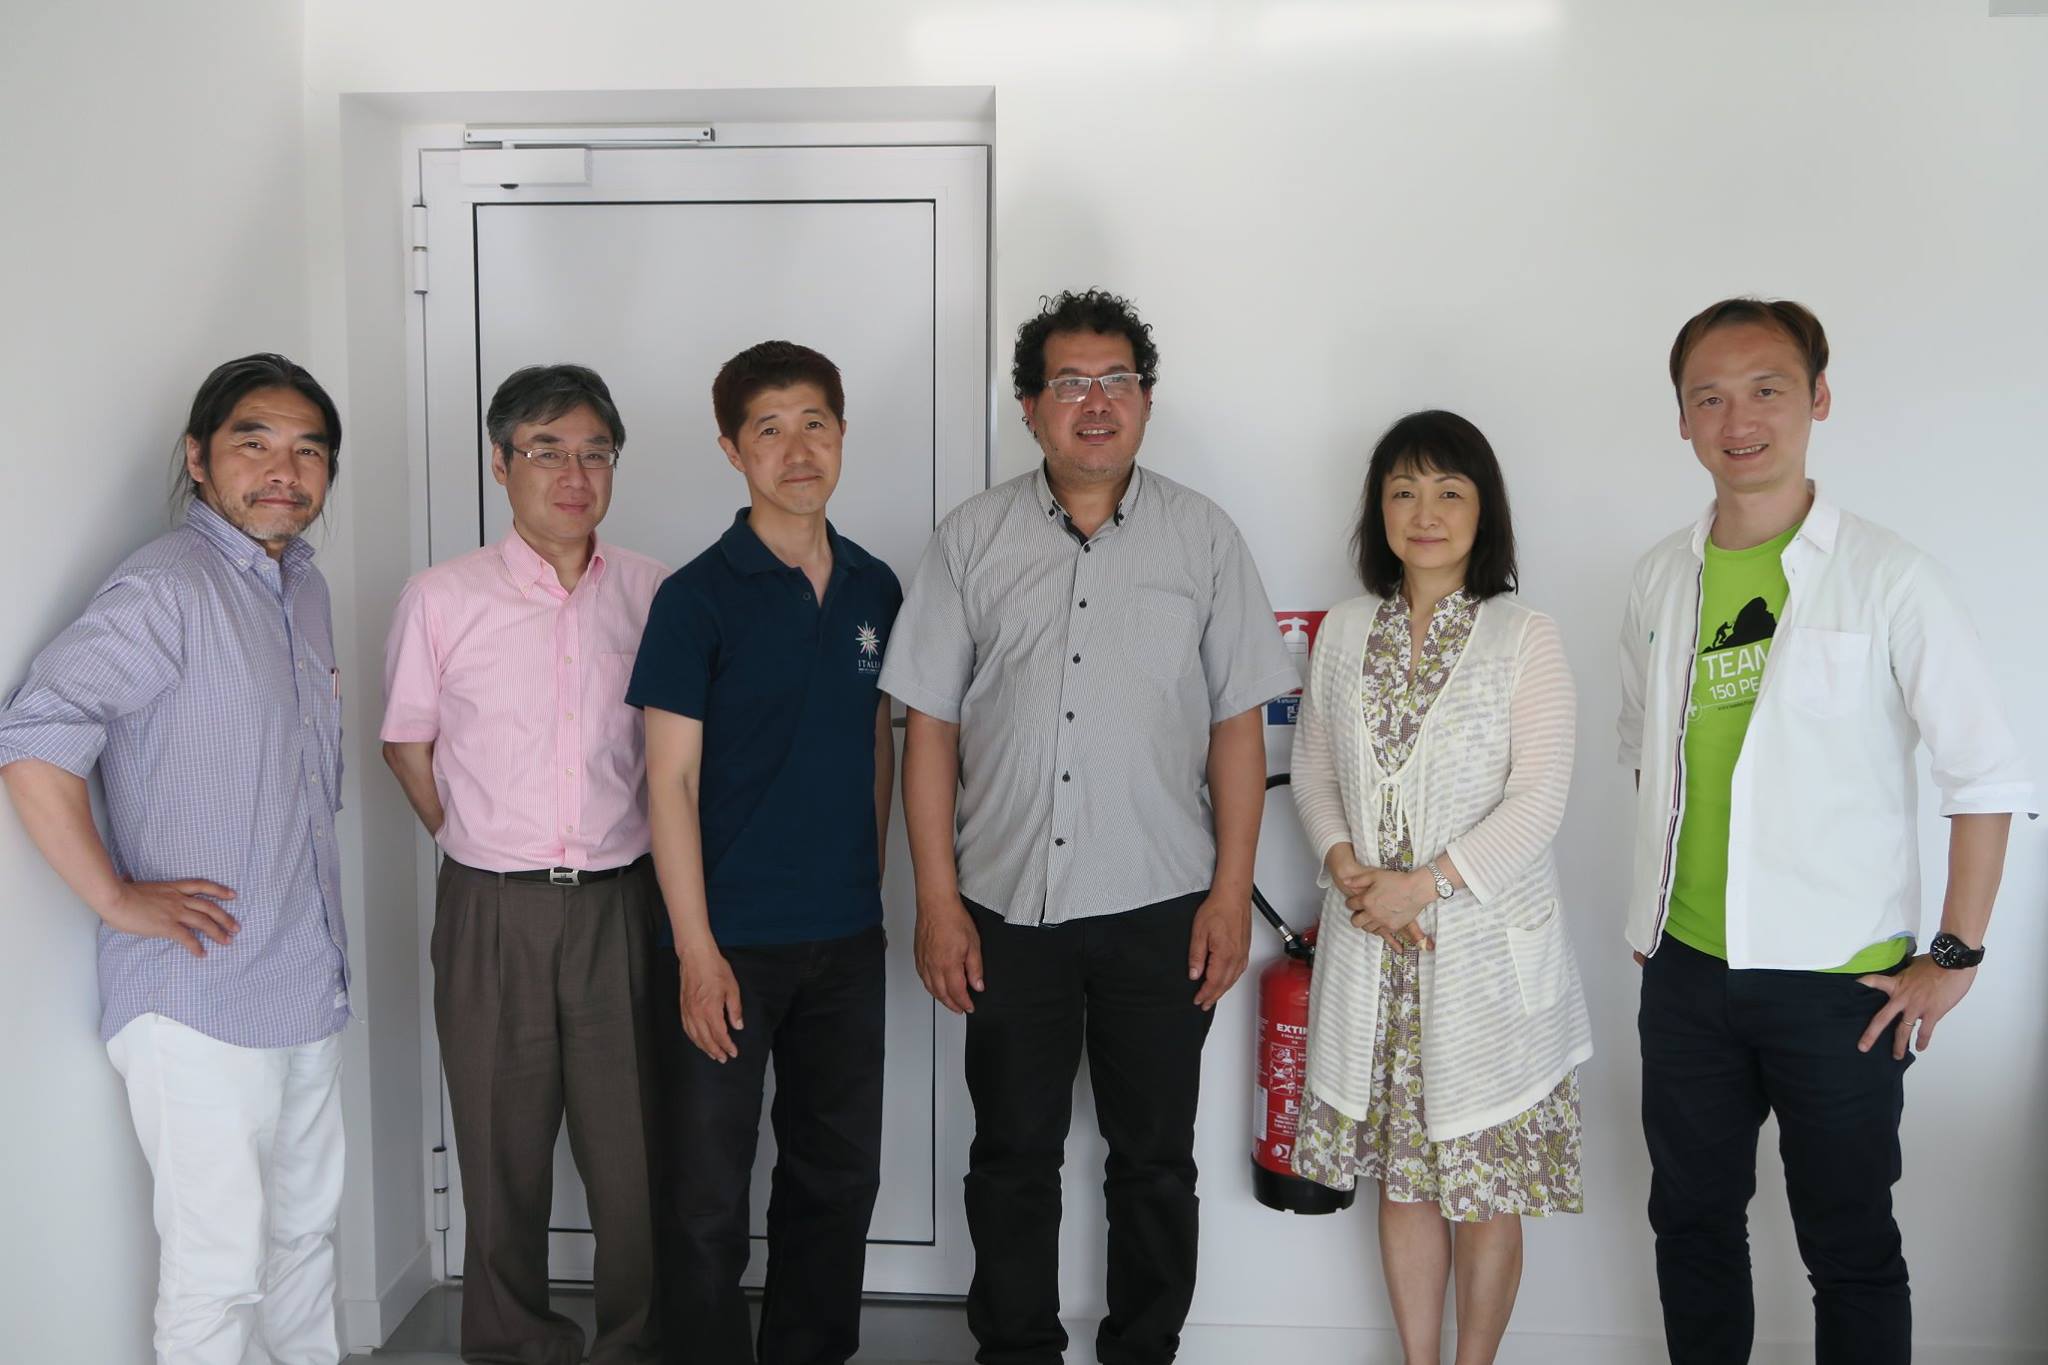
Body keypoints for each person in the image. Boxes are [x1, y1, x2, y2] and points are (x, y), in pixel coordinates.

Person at [879, 289, 1298, 1365]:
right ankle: (1014, 1350)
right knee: (1010, 1155)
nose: (1095, 402)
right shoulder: (969, 540)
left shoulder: (1204, 538)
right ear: (1029, 407)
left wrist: (1229, 894)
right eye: (1070, 383)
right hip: (1003, 905)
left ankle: (1142, 1351)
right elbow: (927, 730)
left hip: (1162, 905)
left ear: (1145, 400)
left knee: (1153, 1161)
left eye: (1116, 381)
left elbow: (1237, 728)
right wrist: (936, 901)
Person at [1619, 297, 2036, 1365]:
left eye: (1765, 389)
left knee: (1848, 1247)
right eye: (1709, 398)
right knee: (1691, 1227)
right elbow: (1647, 754)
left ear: (1817, 399)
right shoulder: (1660, 578)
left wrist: (1954, 952)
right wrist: (1655, 913)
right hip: (1686, 971)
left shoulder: (1889, 575)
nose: (1738, 419)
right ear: (1682, 419)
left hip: (1839, 984)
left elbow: (1983, 774)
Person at [0, 354, 350, 1365]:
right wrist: (114, 896)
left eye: (309, 450)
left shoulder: (304, 587)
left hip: (304, 977)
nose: (284, 469)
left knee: (304, 1243)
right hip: (197, 995)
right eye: (255, 441)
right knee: (217, 1269)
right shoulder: (168, 585)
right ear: (198, 458)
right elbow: (35, 736)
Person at [1288, 410, 1592, 1365]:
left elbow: (1540, 798)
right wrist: (1346, 866)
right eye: (1405, 491)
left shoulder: (1523, 635)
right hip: (1373, 955)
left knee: (1485, 1187)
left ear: (1483, 510)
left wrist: (1422, 886)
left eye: (1450, 491)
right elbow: (1313, 768)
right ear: (1378, 509)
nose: (1426, 512)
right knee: (1407, 1181)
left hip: (1483, 965)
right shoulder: (1345, 629)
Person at [381, 364, 667, 1365]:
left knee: (635, 1155)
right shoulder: (441, 596)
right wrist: (474, 841)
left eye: (595, 452)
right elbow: (406, 745)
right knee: (499, 1148)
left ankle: (637, 1342)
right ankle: (514, 1344)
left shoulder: (653, 592)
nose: (574, 474)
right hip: (490, 910)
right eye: (547, 451)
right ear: (501, 464)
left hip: (622, 904)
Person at [629, 341, 900, 1365]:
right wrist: (695, 951)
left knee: (836, 1178)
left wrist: (869, 882)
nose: (797, 451)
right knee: (705, 1196)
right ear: (732, 450)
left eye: (814, 424)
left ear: (842, 434)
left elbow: (878, 739)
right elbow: (668, 782)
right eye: (769, 430)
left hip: (846, 939)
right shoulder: (696, 596)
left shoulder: (874, 586)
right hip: (728, 942)